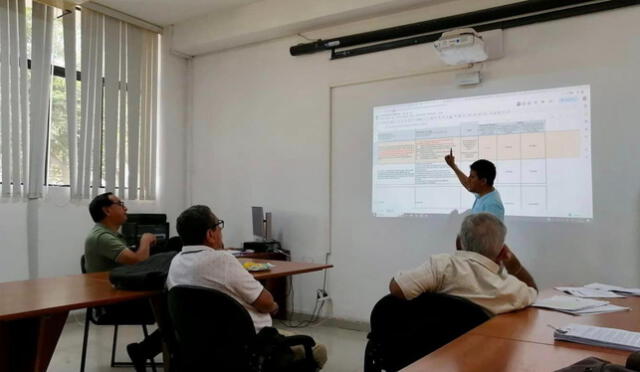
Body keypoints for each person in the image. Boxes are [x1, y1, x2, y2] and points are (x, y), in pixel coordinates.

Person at [167, 205, 327, 369]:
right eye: (219, 225)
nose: (221, 230)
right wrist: (274, 306)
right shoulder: (222, 260)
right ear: (210, 234)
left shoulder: (176, 262)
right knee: (319, 350)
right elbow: (265, 303)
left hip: (199, 348)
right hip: (248, 347)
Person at [389, 213, 537, 315]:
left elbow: (397, 288)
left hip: (431, 354)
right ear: (502, 252)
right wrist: (514, 265)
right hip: (481, 356)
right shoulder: (510, 288)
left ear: (458, 243)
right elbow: (532, 291)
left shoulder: (442, 266)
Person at [84, 192, 162, 372]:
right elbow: (138, 261)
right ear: (107, 210)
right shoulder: (102, 237)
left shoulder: (110, 235)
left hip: (120, 295)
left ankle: (144, 350)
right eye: (120, 204)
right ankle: (146, 351)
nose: (125, 208)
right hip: (112, 305)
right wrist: (145, 240)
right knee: (176, 305)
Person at [445, 150, 505, 221]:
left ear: (483, 181)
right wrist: (453, 166)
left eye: (472, 177)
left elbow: (490, 232)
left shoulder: (492, 205)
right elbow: (467, 184)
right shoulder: (483, 193)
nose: (468, 179)